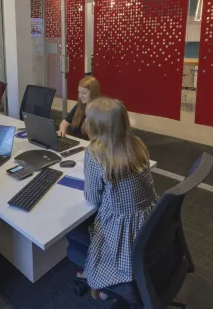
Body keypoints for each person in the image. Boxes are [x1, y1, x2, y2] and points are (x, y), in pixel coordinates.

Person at [66, 97, 158, 293]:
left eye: (88, 118)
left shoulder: (95, 154)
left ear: (97, 125)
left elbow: (93, 199)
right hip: (150, 222)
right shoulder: (136, 144)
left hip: (121, 232)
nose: (85, 121)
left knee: (73, 229)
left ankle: (96, 275)